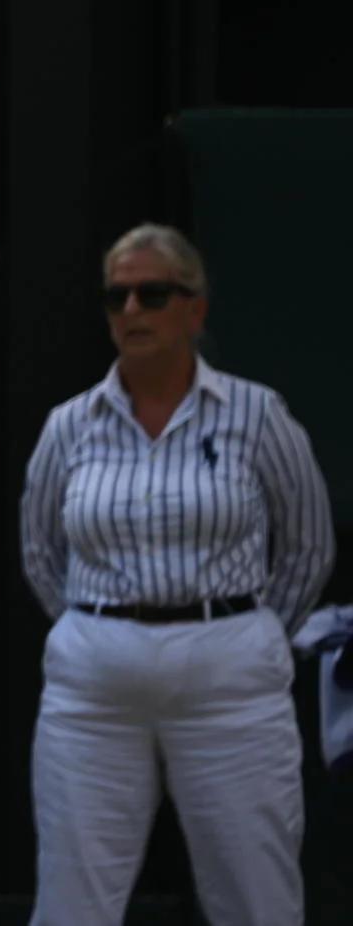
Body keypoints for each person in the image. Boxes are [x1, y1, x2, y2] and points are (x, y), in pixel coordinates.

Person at [21, 222, 336, 926]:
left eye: (152, 294)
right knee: (73, 900)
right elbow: (40, 551)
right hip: (94, 686)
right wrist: (102, 626)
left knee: (256, 896)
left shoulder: (257, 415)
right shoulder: (69, 426)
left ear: (194, 308)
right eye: (116, 297)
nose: (131, 311)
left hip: (228, 674)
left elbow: (309, 544)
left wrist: (247, 635)